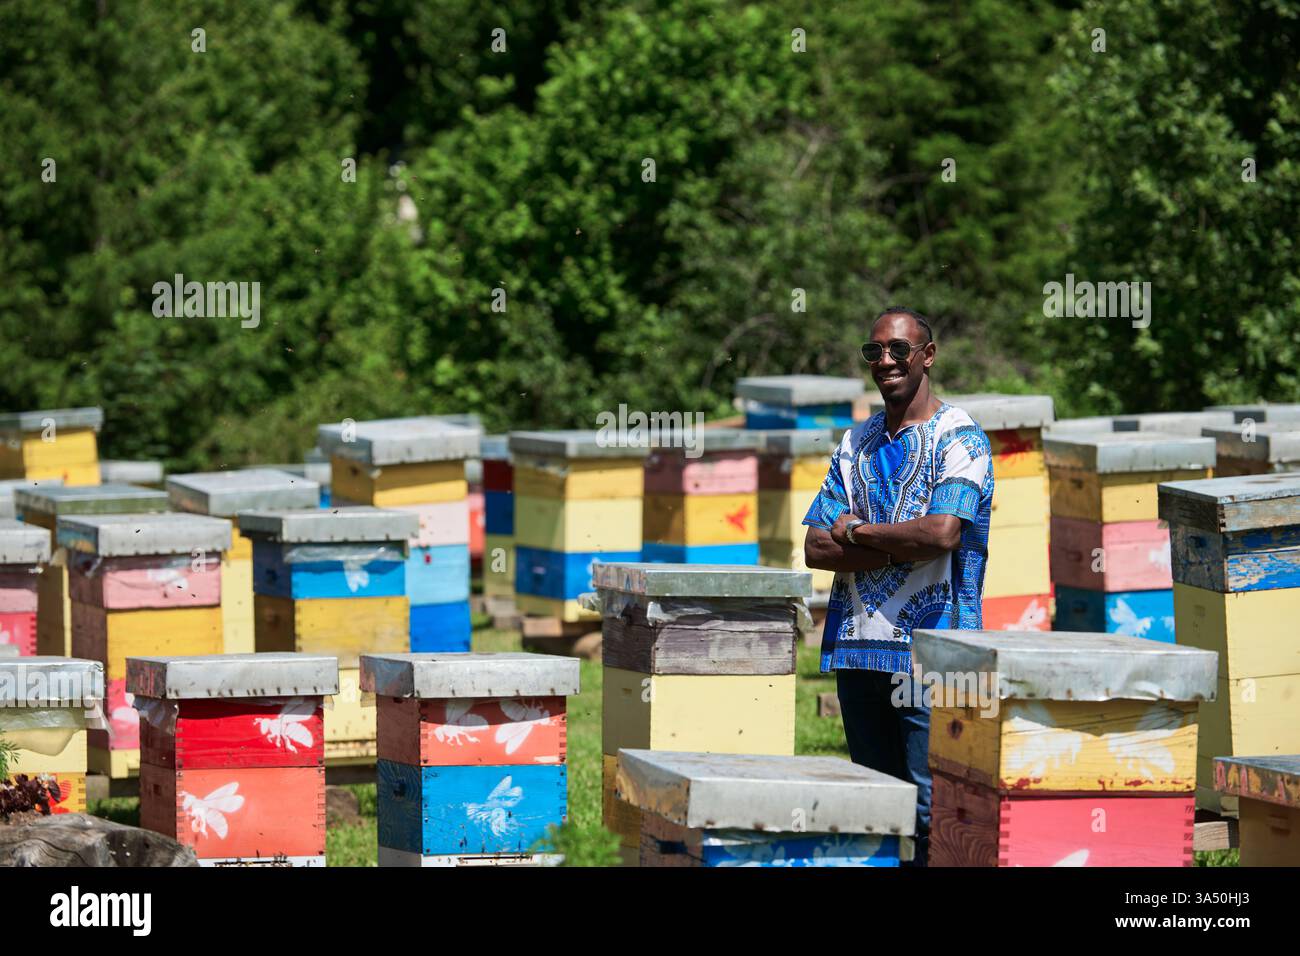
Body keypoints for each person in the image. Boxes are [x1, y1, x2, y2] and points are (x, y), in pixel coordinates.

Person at [802, 306, 993, 866]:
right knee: (874, 809)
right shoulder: (854, 442)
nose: (885, 360)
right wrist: (897, 541)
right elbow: (816, 546)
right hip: (860, 653)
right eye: (874, 351)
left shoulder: (960, 438)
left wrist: (859, 532)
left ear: (927, 356)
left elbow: (941, 532)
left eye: (898, 350)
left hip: (935, 655)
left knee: (932, 810)